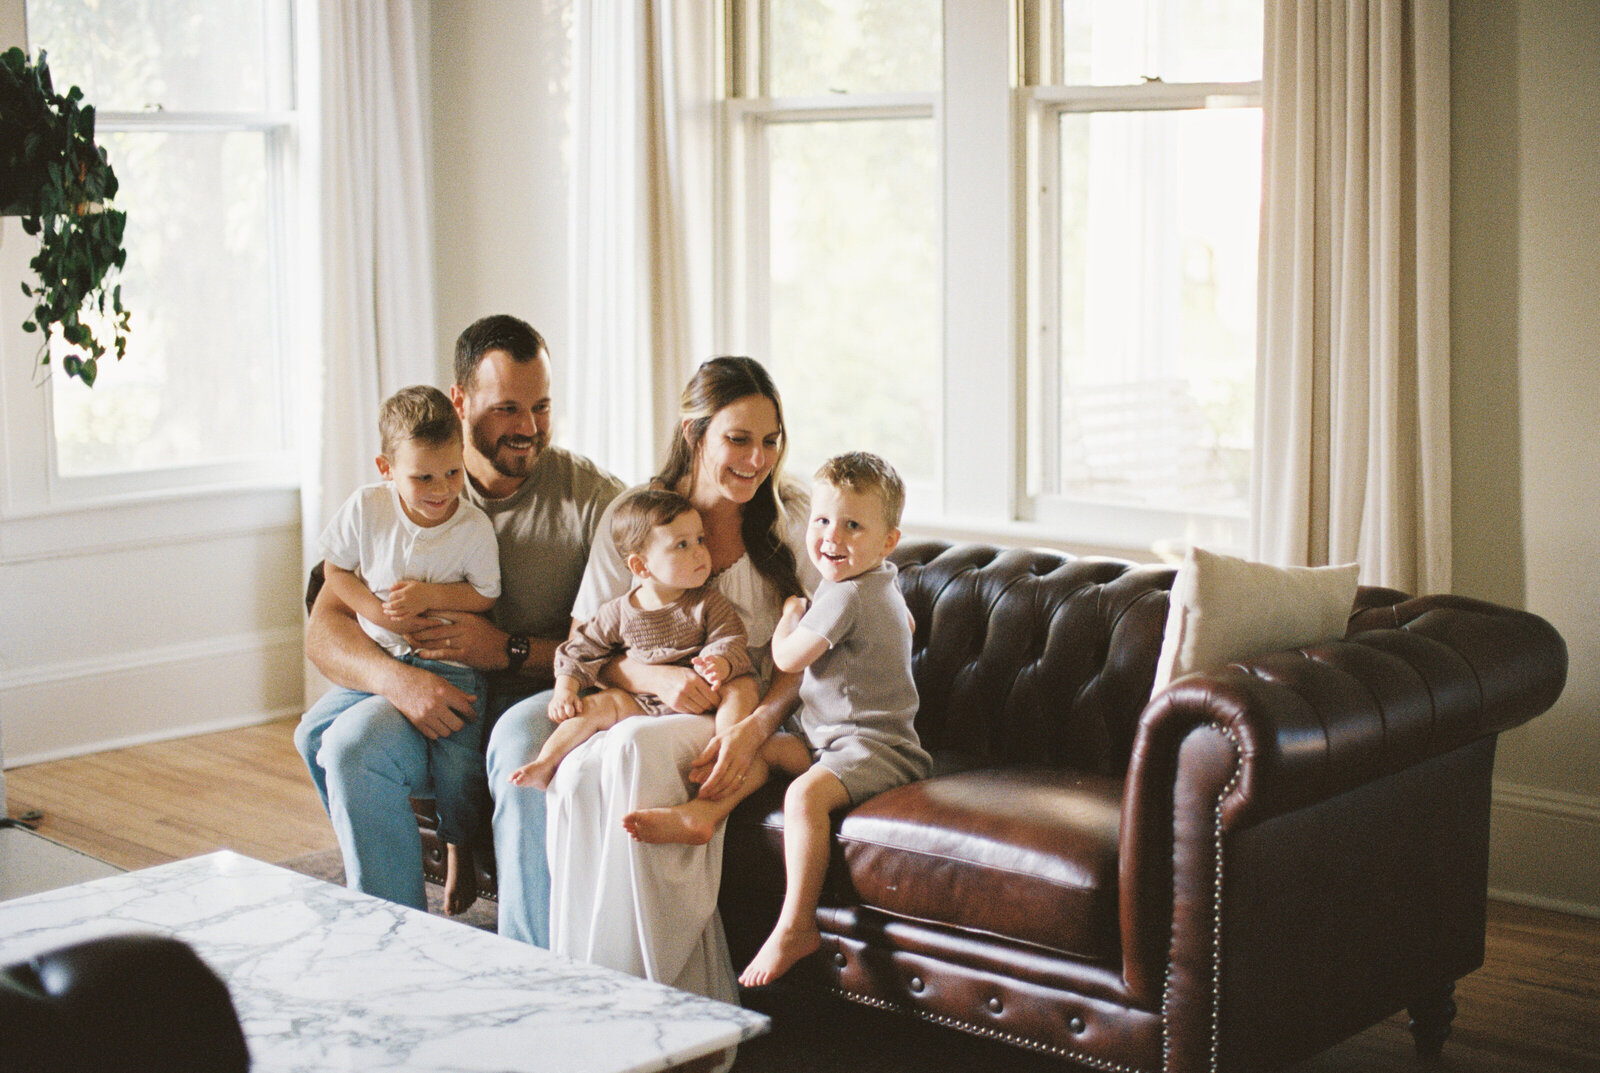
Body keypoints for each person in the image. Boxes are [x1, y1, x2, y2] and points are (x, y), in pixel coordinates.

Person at [296, 315, 622, 932]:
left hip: (534, 696)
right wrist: (400, 683)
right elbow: (324, 628)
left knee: (518, 752)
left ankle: (532, 966)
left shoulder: (594, 502)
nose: (527, 428)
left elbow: (625, 642)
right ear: (460, 401)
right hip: (429, 688)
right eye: (506, 409)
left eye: (542, 406)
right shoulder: (410, 487)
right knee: (344, 745)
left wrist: (507, 647)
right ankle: (395, 943)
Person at [517, 357, 817, 1011]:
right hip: (656, 699)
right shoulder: (638, 517)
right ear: (695, 433)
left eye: (771, 440)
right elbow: (590, 644)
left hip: (756, 705)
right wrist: (659, 675)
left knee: (633, 750)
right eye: (738, 438)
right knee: (573, 775)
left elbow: (805, 658)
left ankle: (666, 1002)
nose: (757, 457)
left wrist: (751, 729)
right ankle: (591, 990)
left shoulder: (792, 515)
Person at [313, 384, 501, 914]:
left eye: (452, 473)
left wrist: (432, 597)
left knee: (459, 769)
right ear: (386, 468)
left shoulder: (472, 527)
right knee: (311, 735)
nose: (442, 490)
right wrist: (374, 611)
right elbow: (336, 570)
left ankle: (458, 848)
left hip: (449, 667)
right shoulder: (367, 508)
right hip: (383, 658)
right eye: (423, 477)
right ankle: (371, 865)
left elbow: (486, 594)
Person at [507, 488, 757, 790]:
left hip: (705, 697)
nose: (699, 552)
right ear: (640, 566)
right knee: (596, 706)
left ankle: (723, 747)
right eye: (682, 545)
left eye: (699, 540)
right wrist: (564, 690)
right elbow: (579, 650)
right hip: (641, 702)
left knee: (742, 687)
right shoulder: (618, 612)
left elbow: (729, 637)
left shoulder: (706, 603)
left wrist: (720, 662)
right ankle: (545, 763)